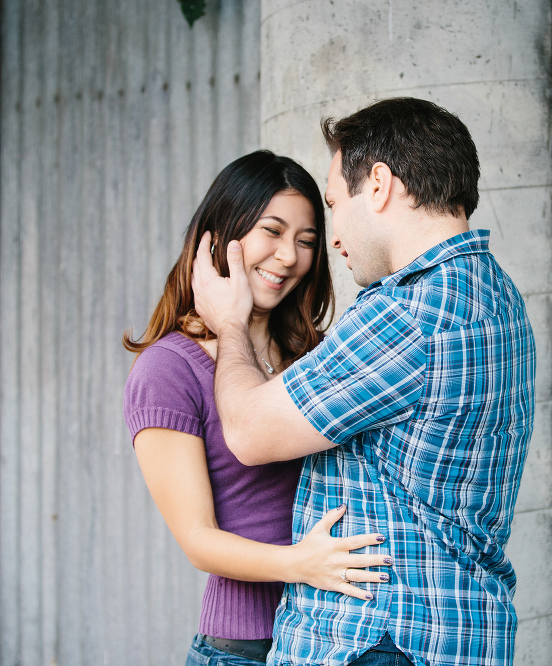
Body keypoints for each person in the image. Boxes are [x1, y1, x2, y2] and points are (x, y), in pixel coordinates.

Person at [191, 98, 537, 666]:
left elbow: (250, 433)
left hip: (380, 640)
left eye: (333, 205)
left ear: (378, 185)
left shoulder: (410, 312)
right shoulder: (496, 293)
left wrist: (228, 322)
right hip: (459, 633)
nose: (333, 239)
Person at [122, 150, 391, 666]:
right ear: (218, 235)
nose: (288, 256)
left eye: (306, 241)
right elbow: (198, 540)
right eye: (272, 230)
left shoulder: (316, 355)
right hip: (244, 648)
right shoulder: (167, 371)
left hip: (335, 637)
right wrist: (301, 564)